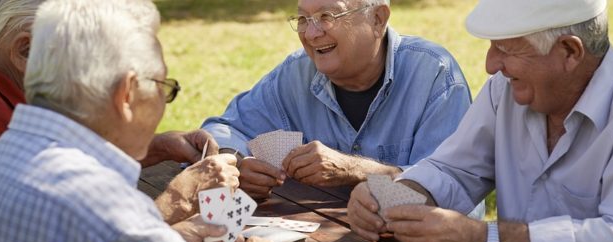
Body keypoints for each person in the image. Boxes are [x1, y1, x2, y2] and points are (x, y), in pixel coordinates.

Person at [0, 0, 286, 242]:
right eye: (163, 88)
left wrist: (175, 239)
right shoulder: (114, 212)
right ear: (126, 94)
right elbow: (111, 234)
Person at [347, 0, 613, 242]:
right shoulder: (505, 88)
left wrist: (486, 240)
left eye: (505, 49)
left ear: (569, 51)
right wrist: (390, 197)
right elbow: (454, 170)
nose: (490, 65)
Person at [202, 0, 484, 217]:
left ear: (378, 19)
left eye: (327, 16)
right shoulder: (295, 74)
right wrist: (236, 163)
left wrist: (356, 170)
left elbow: (452, 197)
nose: (311, 33)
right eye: (303, 19)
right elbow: (223, 128)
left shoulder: (433, 74)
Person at [0, 0, 219, 169]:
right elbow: (69, 220)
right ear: (26, 52)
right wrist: (178, 200)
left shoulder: (14, 103)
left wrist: (156, 147)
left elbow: (71, 165)